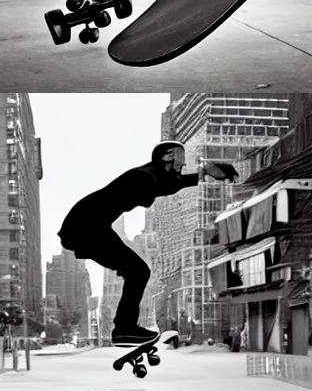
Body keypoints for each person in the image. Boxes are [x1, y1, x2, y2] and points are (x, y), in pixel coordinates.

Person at [59, 140, 237, 347]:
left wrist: (203, 174)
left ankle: (124, 328)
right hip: (86, 225)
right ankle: (124, 329)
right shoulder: (145, 177)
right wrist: (200, 174)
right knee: (138, 271)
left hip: (88, 224)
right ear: (167, 156)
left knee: (136, 270)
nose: (182, 165)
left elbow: (170, 183)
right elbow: (166, 184)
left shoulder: (150, 175)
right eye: (180, 159)